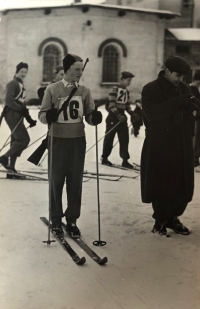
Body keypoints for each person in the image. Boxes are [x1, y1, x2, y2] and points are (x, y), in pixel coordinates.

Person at [38, 53, 102, 238]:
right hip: (57, 139)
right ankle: (56, 220)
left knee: (75, 182)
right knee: (56, 181)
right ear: (66, 70)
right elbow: (42, 114)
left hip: (77, 140)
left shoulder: (85, 91)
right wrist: (47, 116)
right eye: (76, 70)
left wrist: (94, 118)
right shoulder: (52, 89)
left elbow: (89, 114)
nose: (79, 73)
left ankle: (72, 220)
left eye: (81, 70)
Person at [141, 56, 200, 236]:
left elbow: (195, 104)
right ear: (166, 71)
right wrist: (178, 104)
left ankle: (174, 217)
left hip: (182, 141)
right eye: (177, 75)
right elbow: (151, 113)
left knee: (182, 181)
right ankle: (160, 220)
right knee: (162, 181)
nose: (180, 80)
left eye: (183, 76)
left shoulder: (183, 87)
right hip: (160, 142)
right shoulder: (150, 89)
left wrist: (185, 111)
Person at [0, 62, 37, 178]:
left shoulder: (21, 84)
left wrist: (28, 118)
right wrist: (21, 109)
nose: (23, 74)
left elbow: (21, 102)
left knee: (15, 141)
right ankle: (4, 158)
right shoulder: (13, 83)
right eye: (21, 71)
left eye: (25, 72)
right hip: (11, 114)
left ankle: (11, 169)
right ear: (17, 71)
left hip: (17, 115)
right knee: (23, 139)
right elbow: (9, 100)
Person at [101, 71, 139, 169]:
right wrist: (118, 116)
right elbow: (111, 105)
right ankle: (104, 158)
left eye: (130, 81)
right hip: (113, 117)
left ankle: (125, 160)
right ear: (122, 80)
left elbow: (126, 106)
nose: (129, 83)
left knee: (124, 138)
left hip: (122, 117)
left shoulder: (126, 91)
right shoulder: (114, 89)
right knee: (109, 138)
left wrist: (132, 114)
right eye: (127, 80)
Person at [190, 72, 200, 171]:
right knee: (195, 139)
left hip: (197, 116)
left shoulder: (196, 89)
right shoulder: (192, 89)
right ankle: (194, 160)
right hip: (195, 117)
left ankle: (194, 160)